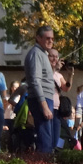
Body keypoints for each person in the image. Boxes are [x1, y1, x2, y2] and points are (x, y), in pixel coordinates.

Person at [23, 25, 55, 154]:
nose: (50, 41)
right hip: (41, 100)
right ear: (38, 38)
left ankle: (44, 162)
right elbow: (35, 81)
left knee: (47, 138)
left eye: (52, 38)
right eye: (47, 38)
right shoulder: (36, 54)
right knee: (44, 140)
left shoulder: (42, 54)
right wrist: (44, 106)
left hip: (46, 98)